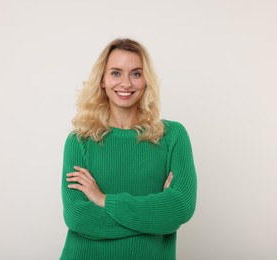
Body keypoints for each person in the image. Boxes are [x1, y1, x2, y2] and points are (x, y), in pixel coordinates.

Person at [60, 38, 197, 260]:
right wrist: (155, 215)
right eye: (115, 73)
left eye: (136, 73)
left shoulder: (172, 136)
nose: (126, 83)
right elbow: (78, 217)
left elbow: (180, 208)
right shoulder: (80, 140)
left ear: (146, 81)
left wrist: (104, 200)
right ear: (102, 80)